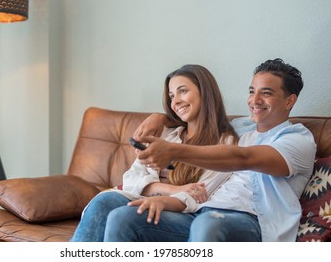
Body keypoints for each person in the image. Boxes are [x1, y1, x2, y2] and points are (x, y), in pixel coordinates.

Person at [103, 58, 317, 242]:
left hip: (253, 221)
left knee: (208, 224)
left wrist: (174, 151)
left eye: (266, 93)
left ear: (290, 100)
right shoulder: (242, 127)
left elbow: (244, 158)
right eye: (252, 91)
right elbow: (202, 116)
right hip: (200, 211)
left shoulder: (297, 140)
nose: (254, 100)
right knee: (124, 217)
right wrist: (160, 118)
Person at [70, 64, 239, 241]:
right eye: (172, 96)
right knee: (103, 202)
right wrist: (172, 189)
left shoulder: (225, 143)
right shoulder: (166, 134)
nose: (175, 102)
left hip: (182, 212)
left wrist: (169, 195)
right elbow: (131, 178)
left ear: (205, 92)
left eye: (183, 91)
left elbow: (198, 195)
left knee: (123, 216)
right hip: (145, 196)